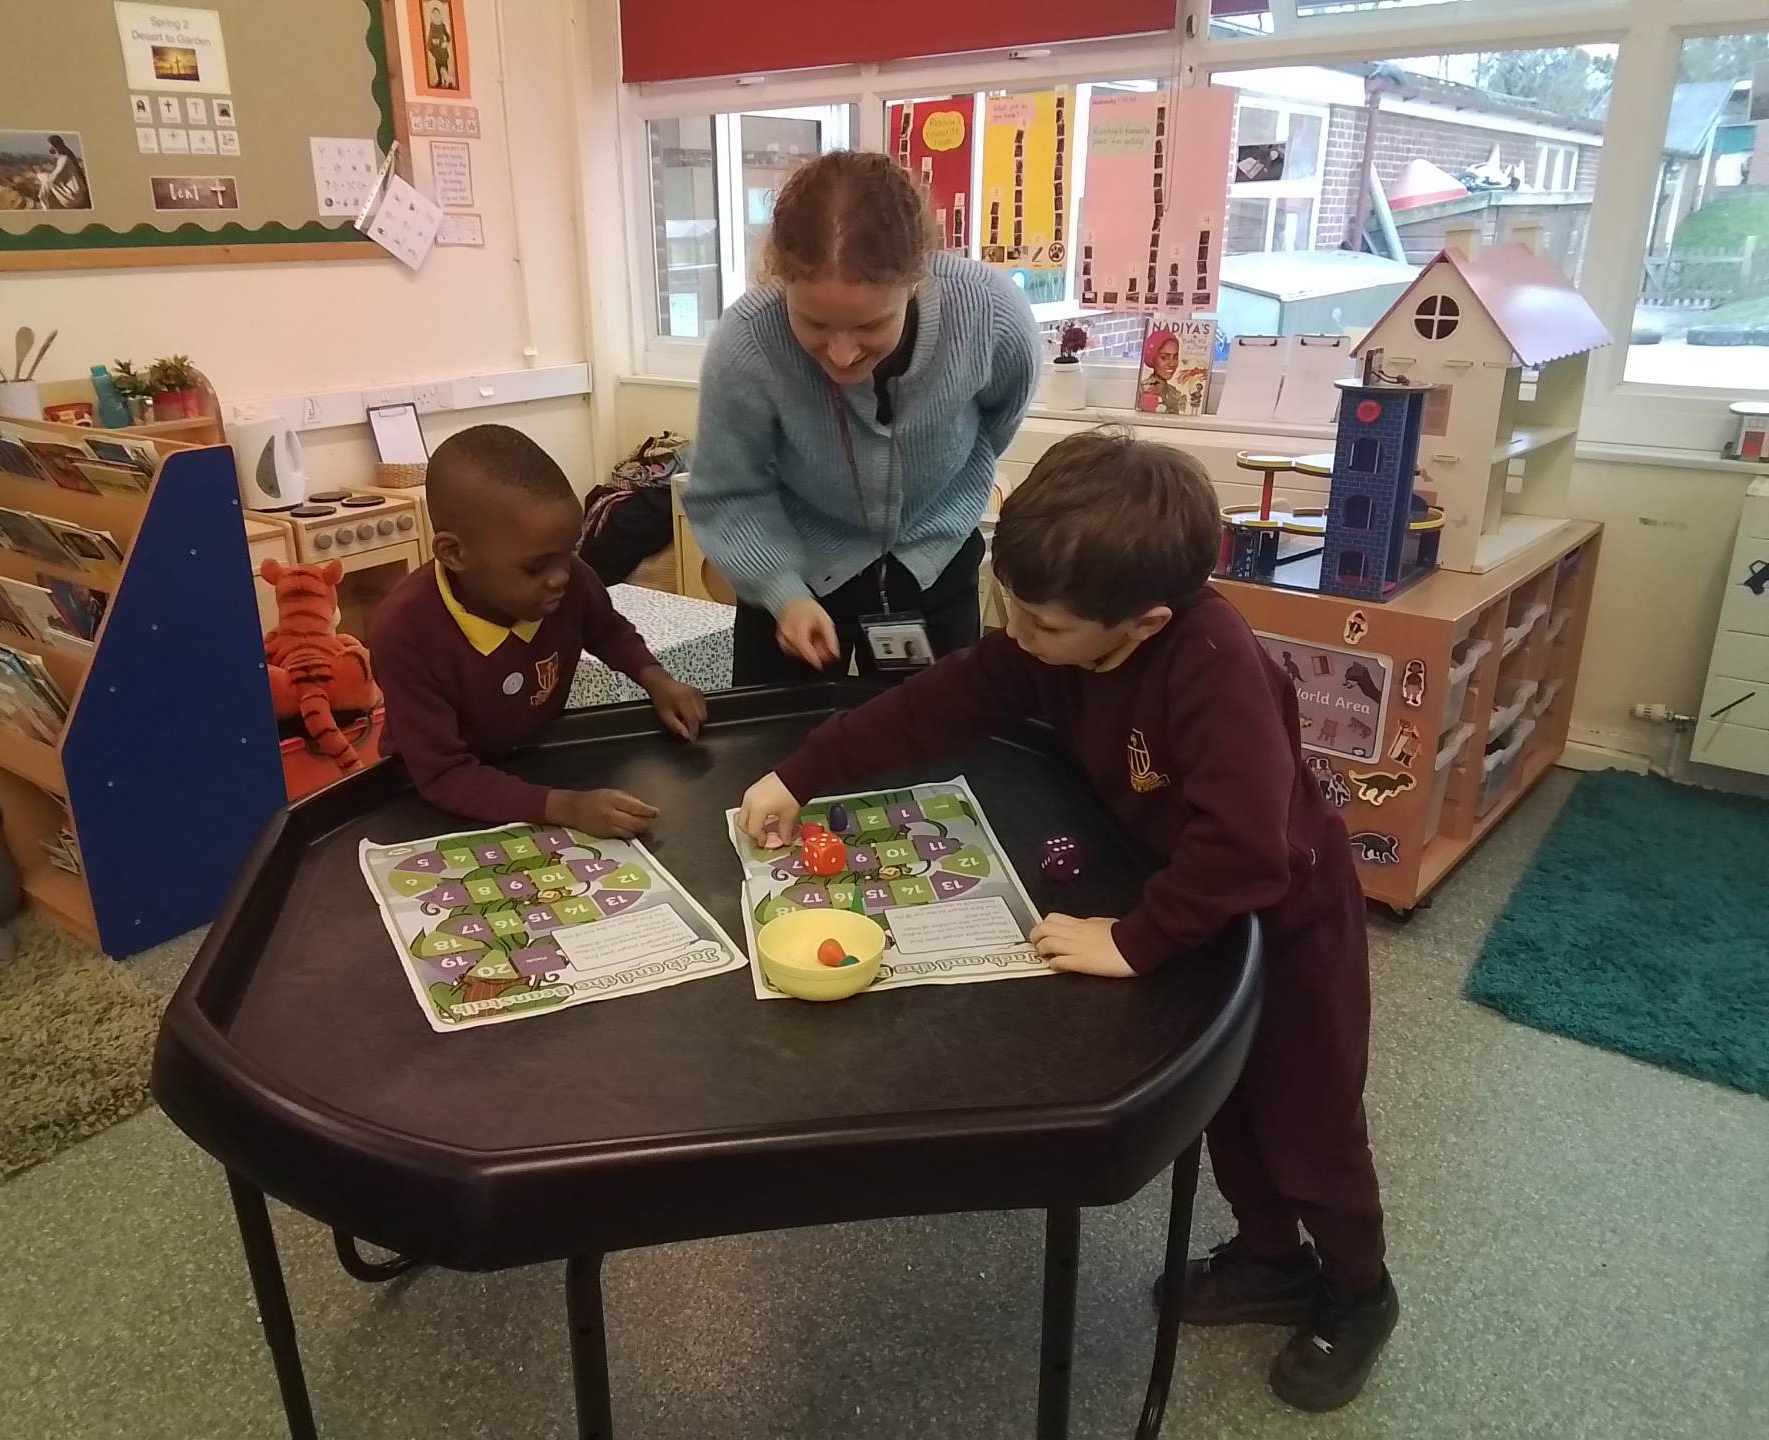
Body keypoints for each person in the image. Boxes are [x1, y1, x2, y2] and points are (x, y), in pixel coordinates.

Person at [735, 431, 1398, 1413]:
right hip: (1197, 903)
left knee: (1306, 1122)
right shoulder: (1052, 637)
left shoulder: (1215, 669)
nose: (1015, 633)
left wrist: (1134, 938)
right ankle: (1272, 1260)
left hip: (1290, 922)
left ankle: (1356, 1288)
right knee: (1230, 1113)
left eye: (1040, 623)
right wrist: (803, 772)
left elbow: (1247, 851)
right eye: (1008, 604)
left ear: (1144, 623)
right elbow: (938, 703)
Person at [685, 150, 1040, 685]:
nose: (843, 353)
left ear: (916, 278)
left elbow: (995, 423)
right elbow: (728, 490)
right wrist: (782, 592)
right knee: (776, 725)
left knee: (935, 725)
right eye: (813, 324)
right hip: (795, 564)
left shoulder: (989, 312)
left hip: (934, 559)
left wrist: (941, 488)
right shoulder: (748, 339)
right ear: (781, 281)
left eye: (871, 325)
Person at [371, 424, 708, 838]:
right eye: (535, 567)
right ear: (454, 553)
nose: (560, 577)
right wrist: (567, 807)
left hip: (534, 761)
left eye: (569, 552)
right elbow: (443, 774)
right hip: (428, 801)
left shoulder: (570, 580)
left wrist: (656, 679)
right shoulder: (404, 632)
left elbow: (606, 630)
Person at [37, 135, 89, 210]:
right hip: (75, 194)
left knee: (45, 178)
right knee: (46, 178)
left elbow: (53, 179)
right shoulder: (64, 158)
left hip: (74, 196)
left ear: (54, 146)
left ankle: (45, 205)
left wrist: (39, 174)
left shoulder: (64, 159)